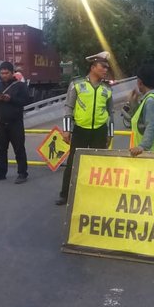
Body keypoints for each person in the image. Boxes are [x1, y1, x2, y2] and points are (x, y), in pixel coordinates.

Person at [56, 51, 114, 205]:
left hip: (100, 131)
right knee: (73, 162)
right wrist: (67, 129)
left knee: (97, 164)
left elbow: (111, 113)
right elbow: (68, 107)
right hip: (81, 129)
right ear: (93, 67)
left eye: (107, 67)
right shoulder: (77, 84)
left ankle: (94, 194)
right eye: (103, 66)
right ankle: (65, 194)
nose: (105, 70)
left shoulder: (107, 89)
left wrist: (110, 134)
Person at [0, 61, 30, 184]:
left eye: (6, 73)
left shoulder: (20, 86)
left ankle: (22, 173)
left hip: (15, 123)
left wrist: (10, 99)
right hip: (0, 123)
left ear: (12, 73)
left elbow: (26, 100)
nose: (4, 75)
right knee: (0, 150)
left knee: (19, 149)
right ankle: (1, 172)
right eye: (2, 73)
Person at [129, 65, 154, 157]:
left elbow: (151, 126)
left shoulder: (150, 101)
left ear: (140, 82)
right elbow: (140, 122)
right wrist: (133, 103)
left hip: (146, 154)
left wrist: (142, 147)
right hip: (150, 153)